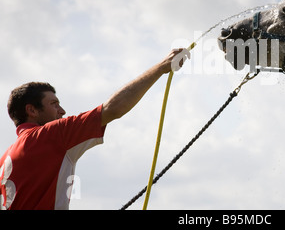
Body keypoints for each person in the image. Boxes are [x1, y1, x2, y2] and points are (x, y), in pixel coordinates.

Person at [0, 48, 189, 210]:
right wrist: (162, 67)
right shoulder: (51, 135)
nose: (62, 111)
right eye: (54, 104)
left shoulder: (4, 159)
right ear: (31, 110)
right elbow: (114, 108)